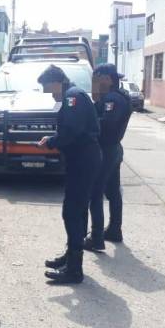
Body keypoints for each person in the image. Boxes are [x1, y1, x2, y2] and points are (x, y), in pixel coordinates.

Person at [37, 65, 101, 284]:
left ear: (57, 82)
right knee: (78, 211)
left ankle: (74, 269)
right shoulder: (73, 95)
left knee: (71, 212)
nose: (49, 94)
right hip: (82, 160)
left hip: (83, 161)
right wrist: (53, 138)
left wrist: (51, 141)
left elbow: (71, 132)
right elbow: (71, 129)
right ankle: (71, 256)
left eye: (48, 88)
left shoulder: (73, 97)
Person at [84, 64, 132, 251]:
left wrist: (87, 123)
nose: (94, 82)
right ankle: (114, 229)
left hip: (106, 150)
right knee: (113, 192)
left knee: (95, 193)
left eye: (97, 78)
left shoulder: (113, 99)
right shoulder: (117, 96)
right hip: (113, 149)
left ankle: (96, 237)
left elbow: (106, 124)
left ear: (107, 79)